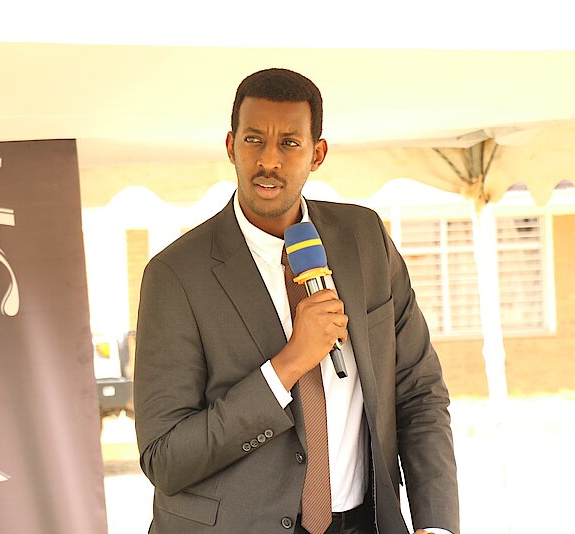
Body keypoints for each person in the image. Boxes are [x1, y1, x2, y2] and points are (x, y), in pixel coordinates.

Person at [134, 68, 459, 534]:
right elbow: (165, 459)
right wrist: (286, 366)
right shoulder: (175, 275)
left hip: (363, 522)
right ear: (231, 146)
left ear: (317, 153)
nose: (269, 160)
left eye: (289, 143)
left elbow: (419, 392)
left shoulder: (365, 238)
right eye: (253, 140)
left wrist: (437, 523)